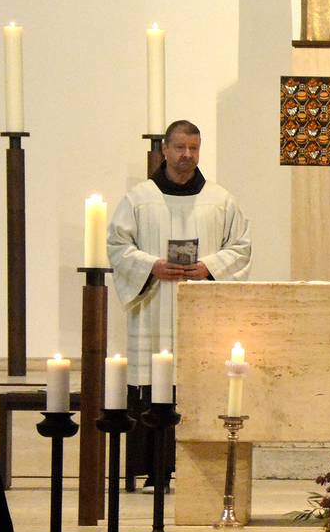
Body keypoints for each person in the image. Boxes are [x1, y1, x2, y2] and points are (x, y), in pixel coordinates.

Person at [107, 120, 252, 486]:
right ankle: (153, 470)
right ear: (165, 151)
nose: (187, 155)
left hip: (202, 309)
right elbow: (117, 247)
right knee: (154, 385)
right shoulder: (139, 199)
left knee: (196, 382)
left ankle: (195, 473)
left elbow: (241, 247)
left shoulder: (220, 200)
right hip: (154, 305)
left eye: (194, 148)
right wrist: (152, 265)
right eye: (180, 148)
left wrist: (209, 267)